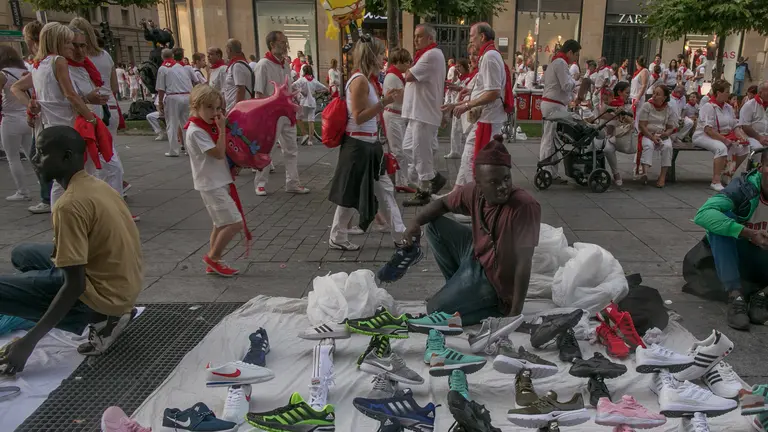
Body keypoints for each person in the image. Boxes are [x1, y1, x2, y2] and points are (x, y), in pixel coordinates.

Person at [0, 126, 143, 374]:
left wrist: (29, 342)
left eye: (42, 153)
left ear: (67, 157)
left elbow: (74, 285)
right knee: (21, 254)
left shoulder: (69, 205)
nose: (34, 160)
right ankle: (106, 313)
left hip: (105, 297)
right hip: (124, 284)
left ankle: (101, 320)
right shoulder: (95, 185)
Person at [400, 136, 541, 325]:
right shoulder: (473, 192)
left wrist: (515, 313)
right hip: (476, 256)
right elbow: (442, 203)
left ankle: (495, 306)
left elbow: (524, 262)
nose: (503, 187)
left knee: (435, 311)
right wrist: (415, 222)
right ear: (479, 184)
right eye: (494, 182)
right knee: (434, 225)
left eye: (506, 179)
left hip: (496, 279)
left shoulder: (524, 206)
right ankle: (459, 287)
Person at [12, 23, 108, 207]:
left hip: (48, 127)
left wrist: (30, 104)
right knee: (83, 172)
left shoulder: (39, 65)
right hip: (68, 126)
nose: (72, 47)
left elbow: (17, 88)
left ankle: (61, 219)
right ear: (57, 42)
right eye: (68, 43)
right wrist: (90, 118)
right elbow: (70, 94)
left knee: (60, 178)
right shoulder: (58, 61)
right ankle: (84, 212)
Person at [327, 35, 405, 252]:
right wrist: (384, 102)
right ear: (371, 55)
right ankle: (339, 235)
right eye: (381, 53)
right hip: (359, 144)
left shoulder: (367, 80)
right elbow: (359, 116)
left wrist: (383, 101)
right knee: (353, 192)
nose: (384, 58)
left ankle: (399, 234)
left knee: (378, 190)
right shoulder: (360, 80)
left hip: (367, 144)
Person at [693, 148, 768, 330]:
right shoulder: (744, 188)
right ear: (760, 168)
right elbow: (703, 215)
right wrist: (748, 233)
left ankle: (764, 296)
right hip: (740, 255)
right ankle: (736, 295)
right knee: (721, 220)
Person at [183, 84, 244, 277]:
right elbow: (218, 153)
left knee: (220, 224)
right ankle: (213, 257)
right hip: (211, 184)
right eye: (209, 107)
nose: (214, 112)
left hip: (217, 181)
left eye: (217, 108)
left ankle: (215, 260)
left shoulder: (205, 127)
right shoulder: (197, 131)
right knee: (234, 224)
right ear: (196, 106)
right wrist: (222, 130)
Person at [445, 22, 509, 189]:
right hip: (486, 118)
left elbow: (493, 92)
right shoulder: (489, 55)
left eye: (472, 36)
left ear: (482, 36)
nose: (470, 40)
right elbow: (483, 89)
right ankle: (458, 195)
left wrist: (466, 105)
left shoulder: (489, 57)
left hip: (488, 119)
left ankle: (466, 199)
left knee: (473, 158)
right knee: (469, 156)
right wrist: (457, 104)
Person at [69, 18, 126, 197]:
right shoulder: (103, 56)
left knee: (105, 161)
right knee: (106, 159)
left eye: (82, 45)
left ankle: (110, 198)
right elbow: (114, 87)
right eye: (74, 45)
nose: (79, 50)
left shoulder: (84, 64)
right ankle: (108, 198)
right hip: (103, 109)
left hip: (96, 112)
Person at [252, 30, 309, 196]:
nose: (285, 45)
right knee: (267, 148)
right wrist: (262, 115)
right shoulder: (263, 65)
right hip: (270, 114)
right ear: (272, 45)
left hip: (286, 113)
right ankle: (260, 183)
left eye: (285, 42)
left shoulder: (284, 64)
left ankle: (292, 182)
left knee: (291, 149)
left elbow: (288, 87)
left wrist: (294, 99)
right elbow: (259, 93)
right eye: (282, 42)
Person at [400, 24, 447, 207]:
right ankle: (430, 180)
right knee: (409, 149)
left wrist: (405, 67)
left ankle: (427, 187)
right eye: (415, 36)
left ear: (430, 38)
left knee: (421, 152)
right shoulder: (425, 55)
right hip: (417, 113)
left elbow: (409, 76)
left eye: (419, 36)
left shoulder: (432, 54)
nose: (415, 40)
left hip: (424, 113)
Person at [540, 40, 588, 179]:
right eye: (576, 54)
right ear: (570, 52)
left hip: (553, 103)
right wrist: (575, 80)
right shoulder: (561, 63)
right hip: (553, 104)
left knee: (554, 140)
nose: (576, 58)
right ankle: (546, 171)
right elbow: (566, 85)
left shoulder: (556, 62)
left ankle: (552, 172)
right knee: (549, 139)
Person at [693, 80, 750, 191]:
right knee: (721, 148)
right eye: (727, 92)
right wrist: (724, 140)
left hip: (724, 135)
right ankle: (716, 181)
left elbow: (734, 125)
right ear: (718, 93)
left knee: (744, 148)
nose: (729, 94)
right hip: (703, 135)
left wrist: (740, 137)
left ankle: (727, 173)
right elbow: (708, 130)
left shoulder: (728, 107)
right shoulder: (708, 107)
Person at [20, 20, 51, 214]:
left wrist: (31, 107)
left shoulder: (43, 62)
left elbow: (18, 87)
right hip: (45, 117)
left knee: (38, 157)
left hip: (47, 119)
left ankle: (48, 197)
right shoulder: (42, 62)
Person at [0, 46, 33, 201]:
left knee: (13, 157)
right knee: (32, 154)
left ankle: (23, 191)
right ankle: (44, 185)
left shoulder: (3, 74)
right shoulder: (26, 72)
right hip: (27, 117)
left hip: (10, 119)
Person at [382, 48, 413, 192]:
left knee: (401, 149)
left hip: (397, 115)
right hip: (393, 115)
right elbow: (399, 98)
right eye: (406, 61)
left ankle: (401, 180)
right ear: (399, 61)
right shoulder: (393, 77)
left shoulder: (395, 75)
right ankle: (399, 181)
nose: (409, 64)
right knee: (398, 150)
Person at [156, 48, 196, 157]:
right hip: (186, 95)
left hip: (173, 96)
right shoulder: (180, 67)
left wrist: (160, 102)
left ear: (162, 57)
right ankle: (189, 148)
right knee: (186, 123)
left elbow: (161, 88)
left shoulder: (163, 68)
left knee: (172, 124)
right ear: (172, 56)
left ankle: (174, 150)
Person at [637, 86, 676, 187]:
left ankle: (662, 177)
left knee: (667, 147)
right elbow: (642, 125)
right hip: (648, 134)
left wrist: (666, 134)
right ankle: (645, 173)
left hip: (662, 134)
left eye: (657, 94)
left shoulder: (669, 108)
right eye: (654, 93)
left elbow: (670, 127)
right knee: (648, 146)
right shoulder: (647, 106)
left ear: (664, 97)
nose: (654, 96)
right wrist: (652, 137)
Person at [601, 81, 633, 186]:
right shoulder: (608, 104)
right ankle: (616, 173)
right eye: (627, 93)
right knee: (607, 148)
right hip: (608, 136)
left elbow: (631, 121)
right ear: (619, 92)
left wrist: (622, 115)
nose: (629, 95)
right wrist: (612, 112)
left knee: (609, 143)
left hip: (622, 136)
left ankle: (642, 171)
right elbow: (601, 117)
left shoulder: (628, 106)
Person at [294, 64, 328, 146]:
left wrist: (299, 91)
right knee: (311, 121)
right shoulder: (314, 81)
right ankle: (310, 140)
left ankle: (304, 133)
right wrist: (317, 92)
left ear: (304, 71)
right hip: (312, 102)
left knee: (298, 118)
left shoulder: (302, 80)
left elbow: (293, 86)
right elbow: (325, 88)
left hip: (303, 102)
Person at [739, 81, 768, 164]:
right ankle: (754, 173)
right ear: (760, 92)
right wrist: (759, 138)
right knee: (758, 148)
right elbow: (745, 126)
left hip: (765, 136)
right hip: (752, 137)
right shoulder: (749, 105)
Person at [222, 39, 254, 113]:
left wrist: (236, 110)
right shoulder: (240, 64)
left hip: (236, 110)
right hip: (232, 108)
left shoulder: (237, 66)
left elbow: (241, 90)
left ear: (229, 50)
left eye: (226, 49)